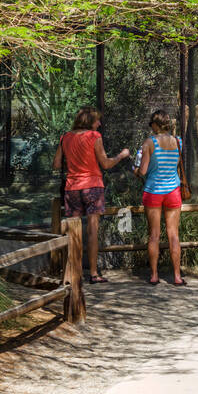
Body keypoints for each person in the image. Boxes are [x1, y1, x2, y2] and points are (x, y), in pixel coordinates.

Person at [52, 106, 130, 284]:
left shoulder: (65, 137)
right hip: (93, 186)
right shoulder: (94, 137)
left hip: (72, 188)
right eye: (97, 120)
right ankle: (94, 273)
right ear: (89, 121)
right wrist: (121, 155)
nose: (100, 123)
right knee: (92, 231)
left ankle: (74, 272)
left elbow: (56, 164)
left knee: (74, 231)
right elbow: (106, 164)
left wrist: (73, 159)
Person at [135, 110, 189, 286]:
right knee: (174, 235)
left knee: (154, 235)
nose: (150, 128)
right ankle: (177, 276)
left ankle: (154, 275)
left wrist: (134, 169)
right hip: (173, 191)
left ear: (156, 125)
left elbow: (142, 171)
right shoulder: (178, 142)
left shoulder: (149, 143)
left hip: (153, 191)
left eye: (151, 124)